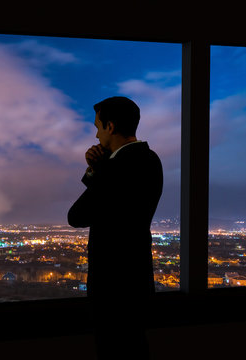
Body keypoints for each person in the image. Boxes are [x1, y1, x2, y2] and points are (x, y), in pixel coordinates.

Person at [68, 96, 163, 359]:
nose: (96, 136)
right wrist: (102, 167)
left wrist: (97, 169)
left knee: (114, 350)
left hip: (112, 287)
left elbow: (76, 215)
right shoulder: (151, 160)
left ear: (110, 126)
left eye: (98, 127)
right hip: (137, 279)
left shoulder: (117, 167)